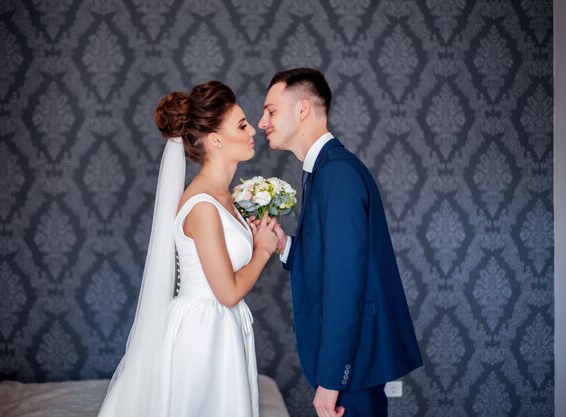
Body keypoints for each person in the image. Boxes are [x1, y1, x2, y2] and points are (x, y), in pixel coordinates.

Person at [97, 81, 279, 417]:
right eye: (242, 125)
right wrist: (264, 251)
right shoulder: (203, 205)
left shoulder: (225, 197)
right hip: (203, 332)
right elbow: (226, 292)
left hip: (220, 327)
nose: (253, 128)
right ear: (215, 139)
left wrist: (252, 238)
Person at [258, 68, 423, 417]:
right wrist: (283, 244)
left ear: (302, 109)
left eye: (270, 111)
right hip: (352, 357)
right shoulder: (328, 171)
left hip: (353, 362)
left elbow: (346, 282)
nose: (262, 122)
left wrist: (333, 378)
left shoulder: (337, 174)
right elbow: (333, 260)